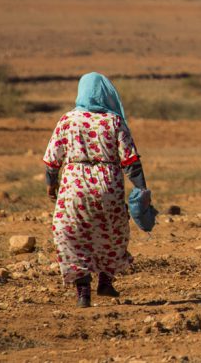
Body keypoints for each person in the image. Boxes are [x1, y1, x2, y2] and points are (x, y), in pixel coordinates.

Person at [43, 72, 149, 307]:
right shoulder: (114, 121)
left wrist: (51, 185)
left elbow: (52, 160)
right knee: (112, 233)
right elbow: (130, 161)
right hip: (108, 186)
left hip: (73, 186)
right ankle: (105, 281)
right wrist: (142, 190)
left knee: (71, 235)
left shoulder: (67, 120)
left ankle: (83, 292)